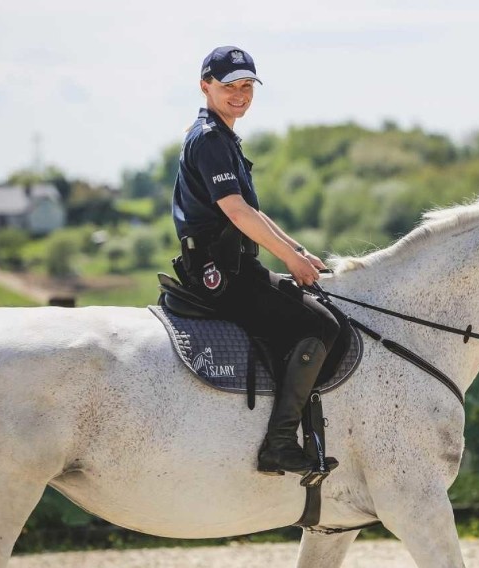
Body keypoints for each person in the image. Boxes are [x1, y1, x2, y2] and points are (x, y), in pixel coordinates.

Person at [171, 46, 340, 476]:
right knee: (321, 325)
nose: (240, 94)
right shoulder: (209, 139)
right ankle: (279, 443)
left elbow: (254, 212)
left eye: (247, 86)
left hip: (235, 266)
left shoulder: (222, 136)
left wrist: (298, 253)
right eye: (230, 86)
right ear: (205, 85)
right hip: (221, 273)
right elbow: (237, 212)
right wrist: (292, 261)